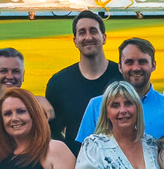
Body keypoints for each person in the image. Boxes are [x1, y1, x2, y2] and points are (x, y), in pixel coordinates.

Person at [45, 10, 121, 149]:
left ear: (104, 37)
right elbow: (52, 131)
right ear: (75, 41)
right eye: (82, 32)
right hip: (76, 165)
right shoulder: (59, 82)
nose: (88, 37)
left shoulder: (122, 77)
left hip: (118, 164)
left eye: (93, 31)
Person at [76, 38, 164, 138]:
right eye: (129, 62)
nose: (136, 68)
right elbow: (83, 149)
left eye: (142, 62)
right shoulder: (96, 105)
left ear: (153, 65)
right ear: (120, 67)